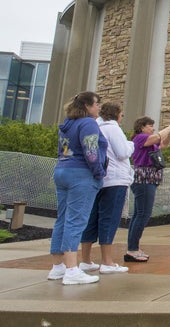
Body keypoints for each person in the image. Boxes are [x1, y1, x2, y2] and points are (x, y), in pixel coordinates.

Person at [47, 91, 108, 285]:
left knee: (63, 219)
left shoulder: (67, 124)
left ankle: (58, 267)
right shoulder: (88, 123)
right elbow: (91, 152)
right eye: (97, 103)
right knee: (76, 220)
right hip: (81, 175)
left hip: (62, 170)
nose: (99, 107)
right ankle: (72, 270)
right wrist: (99, 173)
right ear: (87, 106)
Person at [79, 102, 135, 274]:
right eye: (122, 114)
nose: (122, 117)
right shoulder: (113, 128)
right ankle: (107, 261)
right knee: (109, 219)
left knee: (92, 218)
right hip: (115, 180)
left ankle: (86, 260)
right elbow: (122, 152)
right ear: (116, 114)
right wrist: (131, 144)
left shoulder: (94, 127)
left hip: (97, 178)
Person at [125, 116, 170, 262]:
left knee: (139, 214)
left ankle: (133, 247)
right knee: (143, 214)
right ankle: (132, 249)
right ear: (142, 127)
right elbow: (159, 136)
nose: (152, 128)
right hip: (144, 179)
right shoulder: (140, 138)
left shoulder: (149, 142)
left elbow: (163, 144)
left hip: (149, 180)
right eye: (150, 126)